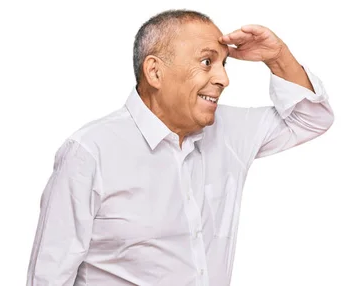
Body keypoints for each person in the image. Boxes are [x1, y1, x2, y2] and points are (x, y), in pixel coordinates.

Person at [26, 8, 334, 286]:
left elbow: (312, 119)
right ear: (155, 72)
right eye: (206, 62)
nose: (224, 78)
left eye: (223, 64)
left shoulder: (230, 131)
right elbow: (49, 276)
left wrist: (277, 56)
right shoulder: (90, 152)